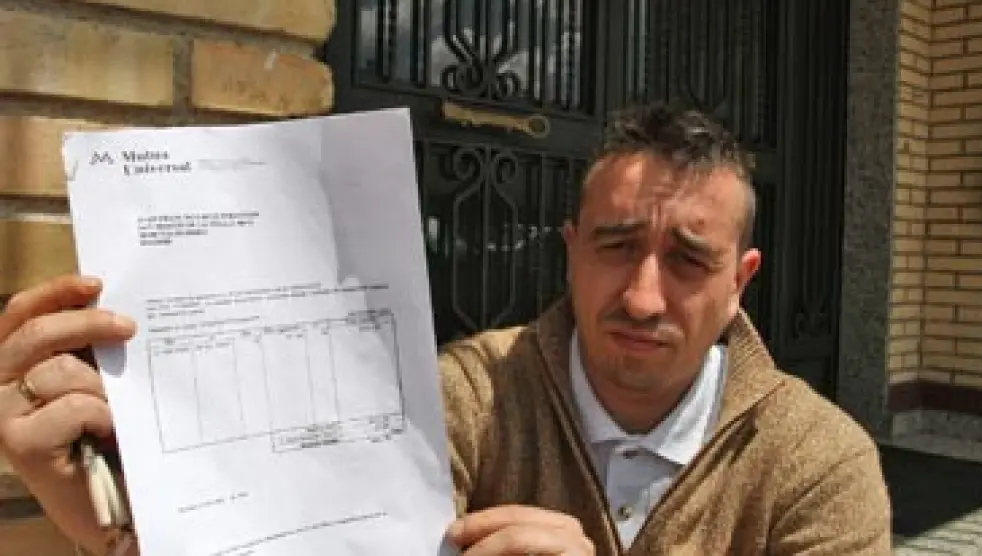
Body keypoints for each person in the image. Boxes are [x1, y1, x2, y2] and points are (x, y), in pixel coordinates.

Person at [0, 102, 891, 556]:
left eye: (689, 261)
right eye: (616, 246)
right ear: (570, 251)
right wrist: (105, 518)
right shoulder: (460, 397)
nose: (644, 297)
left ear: (740, 283)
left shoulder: (818, 463)